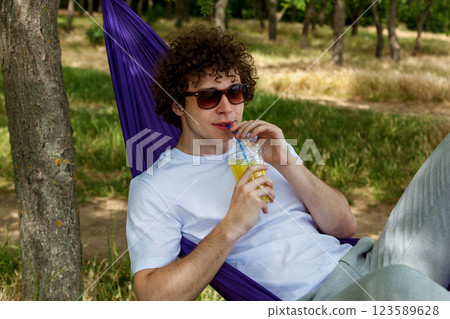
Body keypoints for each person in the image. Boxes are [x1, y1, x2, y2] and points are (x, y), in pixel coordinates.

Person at [126, 25, 450, 301]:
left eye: (235, 92)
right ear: (177, 105)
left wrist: (288, 164)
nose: (227, 109)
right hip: (324, 299)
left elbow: (344, 227)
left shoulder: (262, 145)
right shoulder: (155, 187)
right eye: (210, 97)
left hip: (371, 263)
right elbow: (152, 296)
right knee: (401, 286)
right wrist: (231, 226)